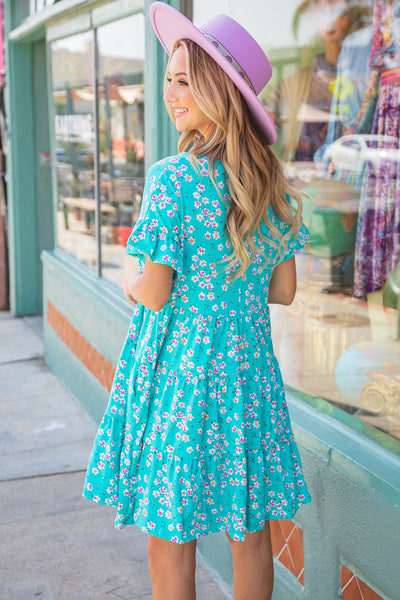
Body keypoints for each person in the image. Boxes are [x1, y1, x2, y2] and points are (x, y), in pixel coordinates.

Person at [83, 3, 311, 599]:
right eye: (169, 78)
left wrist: (132, 279)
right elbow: (283, 290)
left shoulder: (172, 178)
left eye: (185, 80)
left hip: (183, 380)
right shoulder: (269, 183)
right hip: (249, 377)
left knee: (170, 540)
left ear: (218, 91)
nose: (171, 92)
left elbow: (154, 292)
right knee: (252, 533)